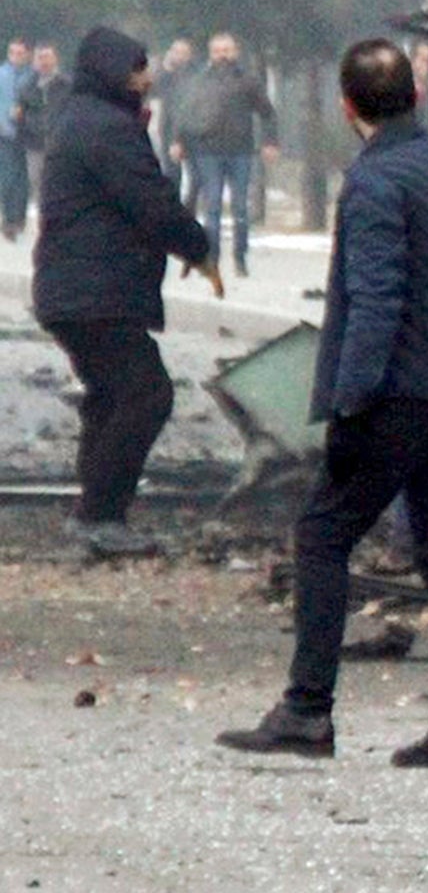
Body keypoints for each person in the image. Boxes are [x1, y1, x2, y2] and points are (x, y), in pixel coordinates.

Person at [217, 39, 428, 768]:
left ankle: (306, 712)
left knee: (322, 534)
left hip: (399, 396)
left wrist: (348, 409)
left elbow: (376, 303)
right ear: (414, 94)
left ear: (348, 108)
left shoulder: (376, 184)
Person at [31, 28, 221, 557]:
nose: (147, 77)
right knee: (146, 394)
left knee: (110, 397)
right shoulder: (108, 128)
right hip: (95, 290)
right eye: (138, 68)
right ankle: (100, 516)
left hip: (75, 288)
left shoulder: (80, 116)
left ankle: (94, 514)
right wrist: (199, 247)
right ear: (114, 73)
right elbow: (151, 201)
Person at [172, 32, 279, 277]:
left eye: (227, 50)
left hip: (241, 152)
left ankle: (240, 258)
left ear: (236, 52)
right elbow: (184, 112)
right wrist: (178, 141)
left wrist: (270, 142)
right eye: (218, 51)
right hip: (207, 152)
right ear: (211, 54)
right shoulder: (200, 80)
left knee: (240, 207)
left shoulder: (248, 81)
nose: (223, 55)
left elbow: (268, 113)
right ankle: (213, 257)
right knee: (213, 207)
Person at [17, 42, 72, 200]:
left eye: (47, 57)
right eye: (40, 58)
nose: (44, 62)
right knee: (37, 184)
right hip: (35, 146)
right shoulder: (26, 87)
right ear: (34, 61)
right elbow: (20, 116)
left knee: (62, 184)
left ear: (56, 59)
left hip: (61, 145)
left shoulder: (68, 85)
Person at [152, 37, 196, 183]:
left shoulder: (196, 74)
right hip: (168, 128)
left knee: (196, 174)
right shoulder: (164, 74)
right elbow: (153, 90)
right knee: (172, 173)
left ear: (190, 55)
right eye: (175, 52)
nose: (179, 56)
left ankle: (191, 204)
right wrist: (165, 69)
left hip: (193, 129)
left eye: (183, 52)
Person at [0, 37, 30, 239]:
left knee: (24, 179)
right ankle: (9, 218)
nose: (16, 57)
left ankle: (19, 217)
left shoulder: (32, 76)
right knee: (8, 176)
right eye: (13, 52)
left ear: (26, 55)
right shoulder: (1, 74)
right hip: (4, 133)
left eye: (20, 53)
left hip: (28, 135)